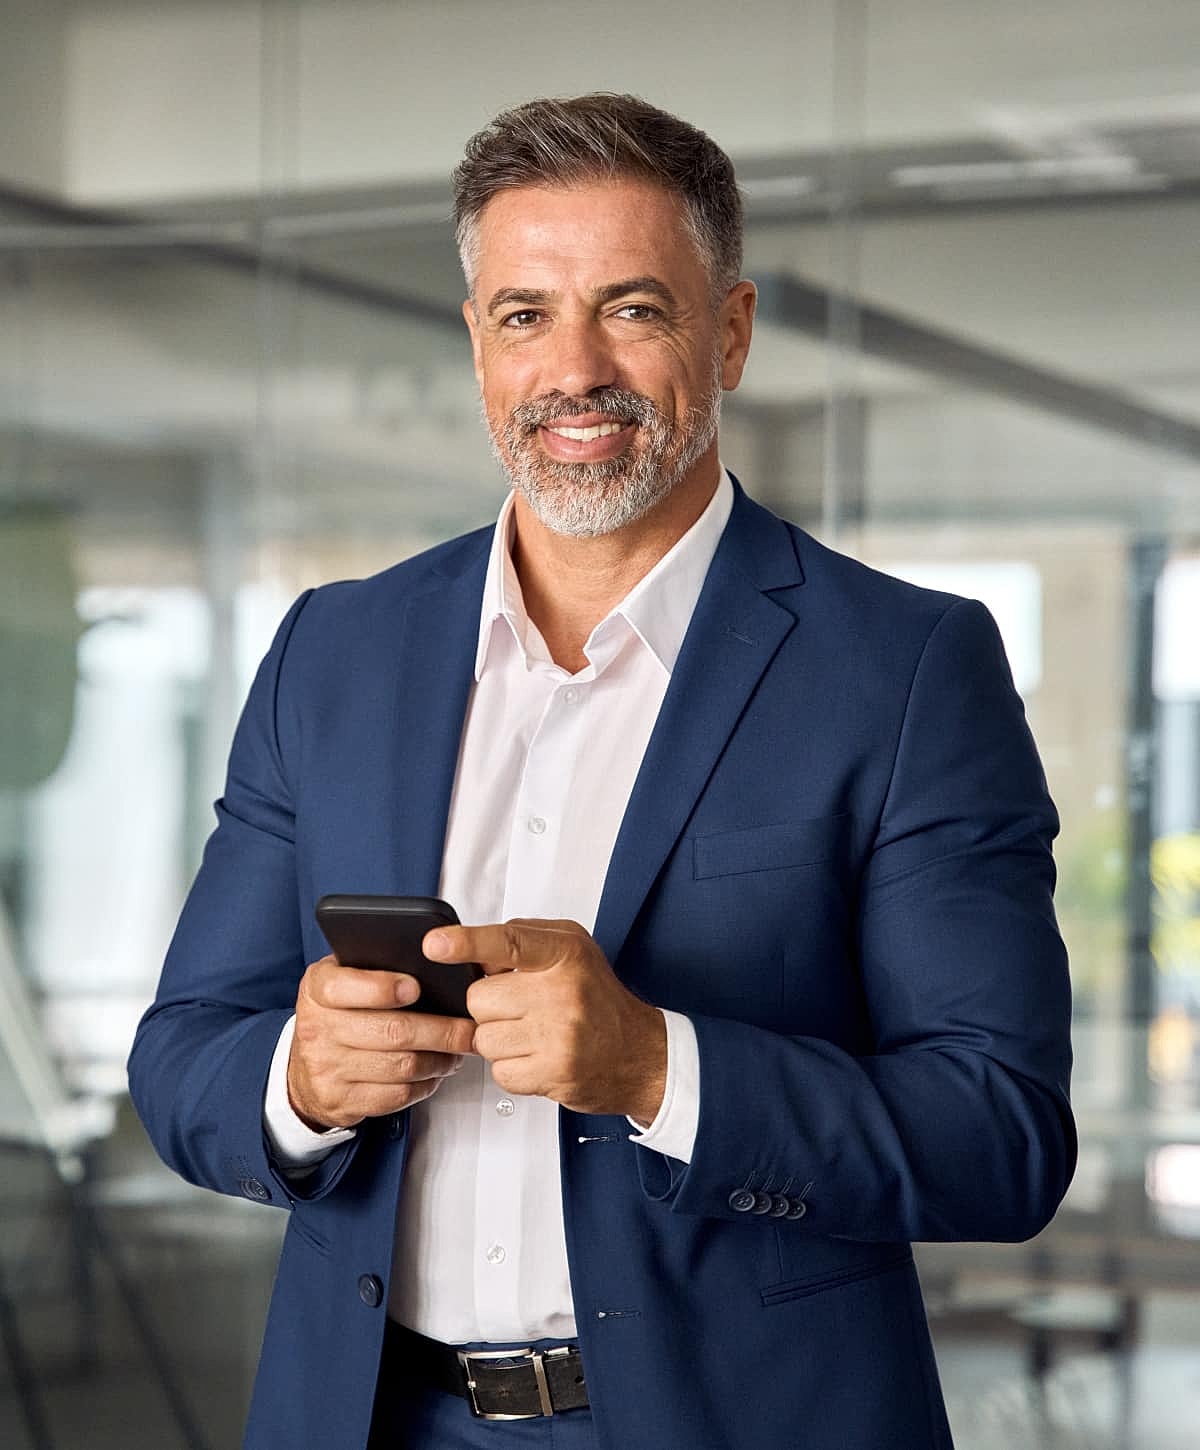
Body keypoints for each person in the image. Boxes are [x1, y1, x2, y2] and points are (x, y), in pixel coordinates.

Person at [128, 93, 1076, 1450]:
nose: (575, 368)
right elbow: (179, 1057)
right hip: (366, 1416)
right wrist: (299, 1079)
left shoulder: (908, 668)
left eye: (632, 308)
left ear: (729, 331)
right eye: (525, 314)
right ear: (476, 343)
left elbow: (1001, 1133)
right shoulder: (335, 650)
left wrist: (656, 1065)